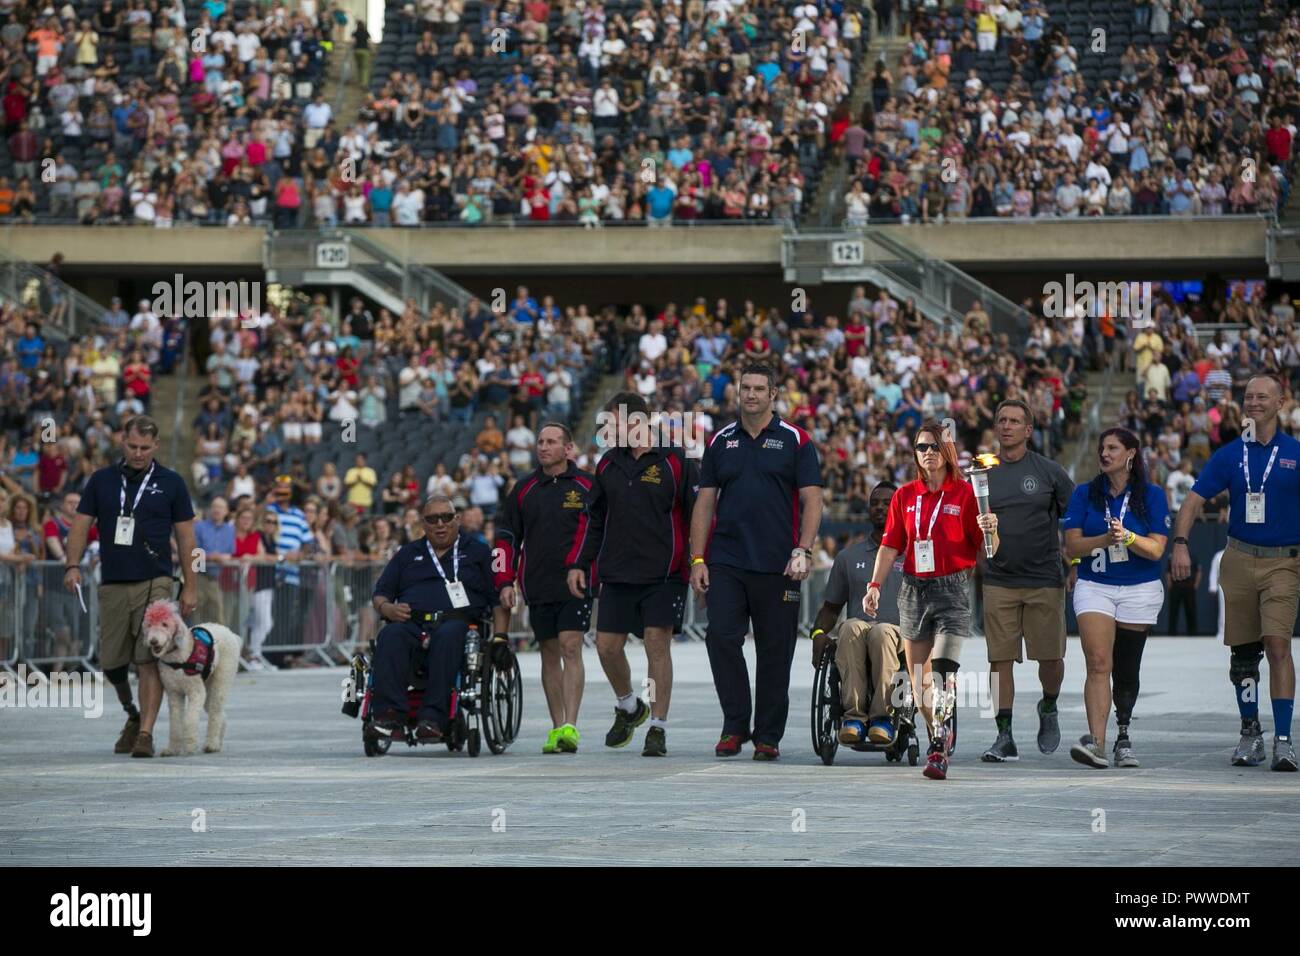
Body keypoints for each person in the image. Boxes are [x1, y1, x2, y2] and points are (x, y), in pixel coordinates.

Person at [689, 363, 824, 761]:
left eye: (758, 388)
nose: (750, 394)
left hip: (779, 563)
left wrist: (803, 549)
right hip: (727, 560)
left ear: (773, 394)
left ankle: (767, 735)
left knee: (775, 651)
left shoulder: (797, 440)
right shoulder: (719, 442)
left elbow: (812, 499)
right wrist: (698, 559)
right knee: (720, 638)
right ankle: (734, 726)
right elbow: (705, 503)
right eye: (745, 387)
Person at [1171, 375, 1300, 772]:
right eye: (1249, 397)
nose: (1254, 403)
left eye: (1263, 397)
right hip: (1239, 558)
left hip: (1284, 561)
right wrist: (1180, 543)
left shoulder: (1295, 452)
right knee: (1243, 655)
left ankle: (1282, 739)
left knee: (1278, 646)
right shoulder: (1230, 455)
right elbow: (1193, 501)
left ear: (1281, 403)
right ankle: (1250, 733)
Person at [863, 420, 999, 780]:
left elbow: (990, 549)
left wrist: (993, 530)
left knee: (942, 673)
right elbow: (891, 545)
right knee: (919, 682)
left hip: (952, 590)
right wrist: (874, 585)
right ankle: (937, 731)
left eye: (934, 447)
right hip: (913, 589)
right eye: (921, 447)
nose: (927, 453)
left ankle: (938, 747)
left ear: (948, 451)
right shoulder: (904, 496)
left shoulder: (966, 494)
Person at [568, 392, 696, 757]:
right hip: (617, 572)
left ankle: (657, 725)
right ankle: (629, 706)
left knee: (657, 644)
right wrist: (580, 563)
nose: (609, 430)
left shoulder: (675, 460)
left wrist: (699, 561)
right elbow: (594, 520)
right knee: (607, 647)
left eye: (614, 423)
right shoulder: (608, 463)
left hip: (664, 572)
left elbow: (695, 514)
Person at [62, 416, 197, 758]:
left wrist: (191, 585)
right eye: (132, 446)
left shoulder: (172, 483)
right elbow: (79, 525)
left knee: (147, 658)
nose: (138, 454)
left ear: (156, 447)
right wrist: (73, 565)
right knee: (111, 663)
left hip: (156, 580)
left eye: (145, 448)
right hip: (114, 582)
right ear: (122, 442)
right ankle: (132, 715)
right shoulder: (101, 480)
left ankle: (146, 735)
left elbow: (188, 540)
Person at [1063, 427, 1168, 769]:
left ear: (1131, 454)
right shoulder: (1084, 493)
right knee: (1098, 662)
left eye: (1112, 448)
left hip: (1140, 586)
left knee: (1126, 668)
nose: (1104, 454)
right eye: (1101, 448)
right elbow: (1072, 546)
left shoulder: (1152, 495)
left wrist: (1129, 537)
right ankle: (1097, 743)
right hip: (1095, 584)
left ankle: (1124, 733)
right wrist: (1105, 541)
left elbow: (1155, 550)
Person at [980, 399, 1074, 762]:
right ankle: (1004, 736)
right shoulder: (982, 471)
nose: (1006, 426)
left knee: (1050, 658)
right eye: (1001, 420)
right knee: (999, 660)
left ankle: (1048, 706)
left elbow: (1077, 516)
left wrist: (1076, 561)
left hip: (1043, 578)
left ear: (1028, 430)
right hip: (999, 579)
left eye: (1015, 421)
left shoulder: (1049, 471)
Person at [495, 422, 596, 754]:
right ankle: (556, 727)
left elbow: (600, 532)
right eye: (540, 441)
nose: (543, 447)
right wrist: (505, 580)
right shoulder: (523, 489)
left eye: (551, 442)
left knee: (571, 647)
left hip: (575, 582)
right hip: (537, 583)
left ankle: (571, 725)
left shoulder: (586, 485)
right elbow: (507, 537)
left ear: (568, 449)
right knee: (550, 654)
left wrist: (587, 568)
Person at [367, 495, 502, 742]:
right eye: (432, 519)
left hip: (459, 623)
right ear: (423, 524)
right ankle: (389, 715)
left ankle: (433, 717)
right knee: (390, 634)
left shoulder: (479, 552)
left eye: (446, 517)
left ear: (457, 520)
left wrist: (501, 638)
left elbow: (498, 599)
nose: (440, 523)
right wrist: (387, 609)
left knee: (449, 635)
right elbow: (380, 593)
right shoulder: (407, 554)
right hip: (413, 622)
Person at [809, 481, 904, 745]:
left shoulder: (914, 554)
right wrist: (817, 632)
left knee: (882, 632)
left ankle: (883, 717)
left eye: (887, 503)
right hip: (859, 631)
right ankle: (854, 718)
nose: (880, 508)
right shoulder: (848, 557)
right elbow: (830, 608)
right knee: (849, 627)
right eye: (875, 503)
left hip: (898, 635)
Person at [193, 496, 235, 626]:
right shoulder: (199, 527)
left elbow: (230, 553)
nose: (217, 510)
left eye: (220, 507)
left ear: (226, 511)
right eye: (214, 506)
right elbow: (193, 552)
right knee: (196, 617)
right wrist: (211, 557)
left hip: (217, 579)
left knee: (217, 618)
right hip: (198, 576)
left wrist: (225, 557)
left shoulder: (230, 530)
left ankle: (216, 645)